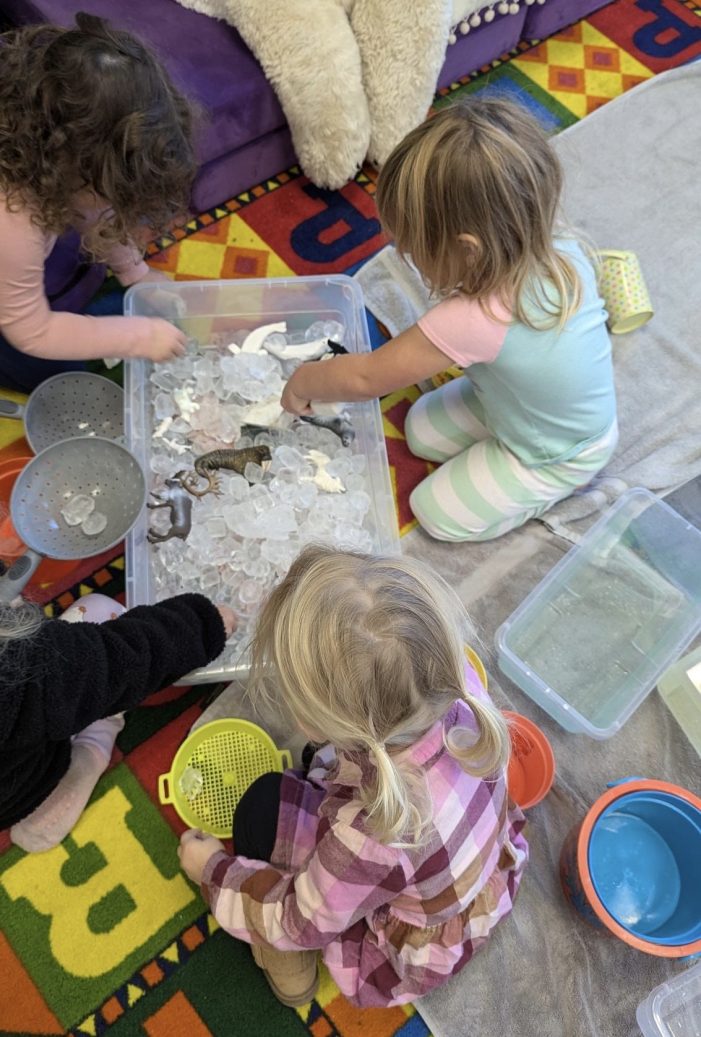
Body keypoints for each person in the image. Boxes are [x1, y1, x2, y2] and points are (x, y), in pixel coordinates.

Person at [178, 546, 527, 1008]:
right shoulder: (460, 689)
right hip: (475, 883)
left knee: (262, 806)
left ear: (317, 721)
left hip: (405, 938)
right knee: (307, 775)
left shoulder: (368, 836)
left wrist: (212, 871)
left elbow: (297, 921)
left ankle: (289, 971)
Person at [280, 97, 618, 542]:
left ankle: (552, 487)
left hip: (558, 451)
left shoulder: (475, 318)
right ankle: (502, 436)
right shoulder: (559, 245)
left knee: (435, 511)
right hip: (517, 404)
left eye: (413, 250)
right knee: (420, 430)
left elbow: (366, 377)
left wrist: (304, 380)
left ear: (469, 250)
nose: (407, 258)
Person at [0, 13, 194, 392]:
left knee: (94, 285)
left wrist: (136, 274)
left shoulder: (52, 143)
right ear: (69, 163)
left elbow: (96, 207)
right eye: (108, 186)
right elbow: (32, 331)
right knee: (62, 377)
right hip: (18, 305)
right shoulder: (13, 223)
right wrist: (138, 337)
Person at [1, 591, 237, 853]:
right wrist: (205, 625)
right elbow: (114, 661)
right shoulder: (19, 669)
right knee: (101, 612)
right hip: (28, 776)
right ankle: (90, 752)